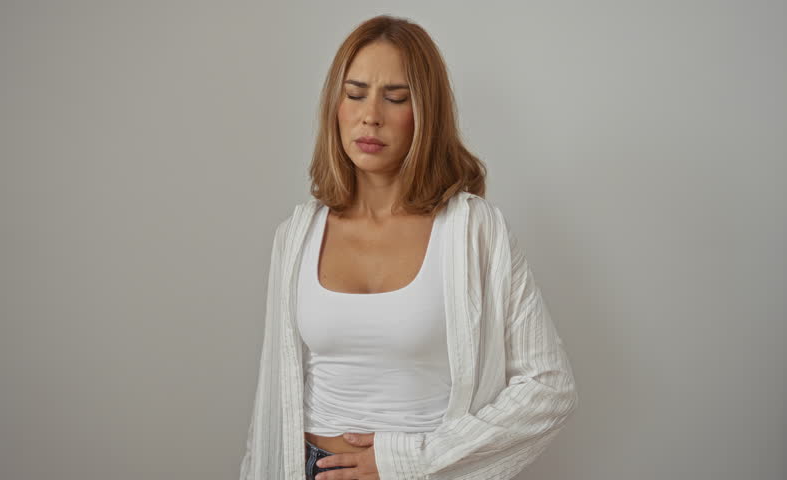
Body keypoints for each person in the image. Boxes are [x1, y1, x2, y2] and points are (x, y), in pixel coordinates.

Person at [239, 14, 578, 480]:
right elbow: (271, 401)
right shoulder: (295, 237)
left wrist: (406, 460)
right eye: (354, 94)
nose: (370, 115)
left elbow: (549, 387)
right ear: (334, 107)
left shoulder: (474, 231)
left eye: (395, 98)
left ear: (425, 114)